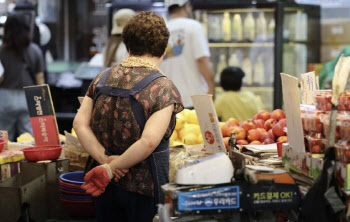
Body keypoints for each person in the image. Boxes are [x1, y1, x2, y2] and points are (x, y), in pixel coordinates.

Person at [74, 11, 183, 222]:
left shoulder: (102, 77)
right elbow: (149, 141)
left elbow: (79, 124)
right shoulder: (162, 87)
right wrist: (111, 167)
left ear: (128, 44)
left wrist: (105, 162)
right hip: (143, 189)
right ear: (163, 48)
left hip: (103, 186)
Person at [159, 0, 215, 108]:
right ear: (186, 6)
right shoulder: (194, 26)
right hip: (194, 98)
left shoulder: (161, 30)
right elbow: (201, 60)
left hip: (168, 101)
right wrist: (211, 87)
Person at [0, 13, 45, 142]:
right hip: (29, 98)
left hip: (4, 98)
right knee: (29, 139)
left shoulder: (1, 51)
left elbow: (0, 78)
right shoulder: (34, 50)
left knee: (3, 140)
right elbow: (40, 79)